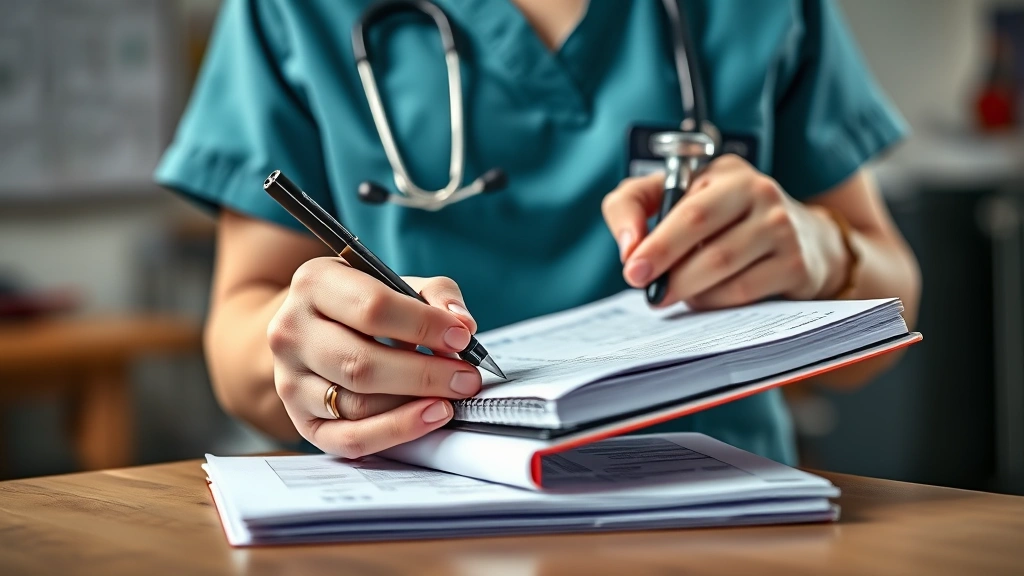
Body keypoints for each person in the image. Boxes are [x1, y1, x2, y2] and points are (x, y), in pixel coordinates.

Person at [155, 0, 920, 466]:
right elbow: (243, 335)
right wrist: (312, 356)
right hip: (407, 525)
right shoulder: (292, 7)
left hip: (718, 517)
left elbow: (891, 306)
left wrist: (824, 250)